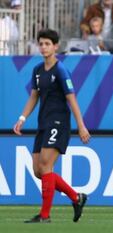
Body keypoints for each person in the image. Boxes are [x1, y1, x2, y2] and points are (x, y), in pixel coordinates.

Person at [13, 29, 90, 223]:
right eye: (41, 44)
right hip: (43, 123)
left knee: (46, 165)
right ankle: (76, 197)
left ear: (56, 47)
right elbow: (34, 96)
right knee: (39, 171)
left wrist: (81, 126)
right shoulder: (38, 70)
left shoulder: (61, 70)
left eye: (47, 44)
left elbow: (71, 99)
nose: (43, 47)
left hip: (59, 123)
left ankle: (45, 215)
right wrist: (22, 118)